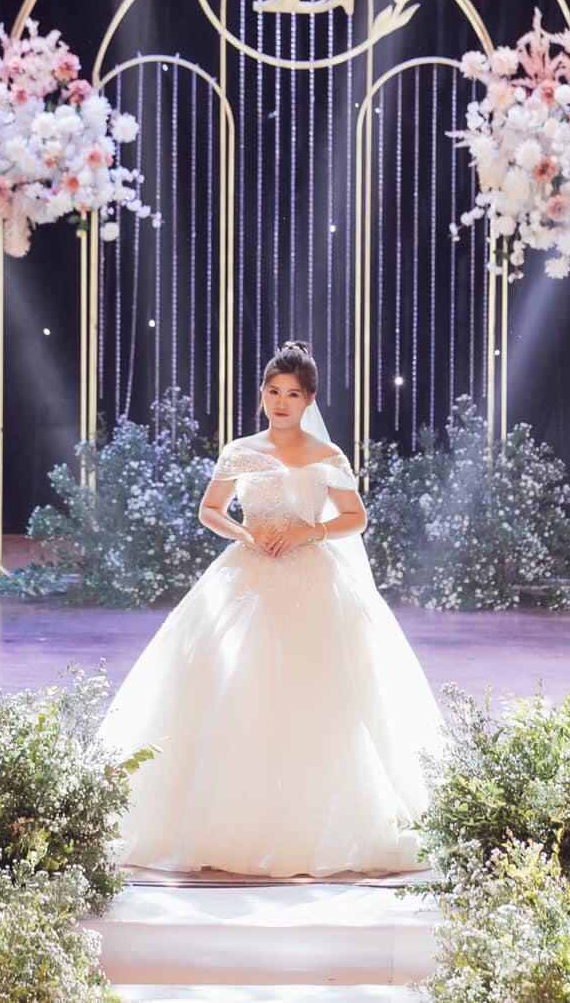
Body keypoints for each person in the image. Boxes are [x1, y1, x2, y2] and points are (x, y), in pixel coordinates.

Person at [96, 340, 445, 876]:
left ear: (309, 400)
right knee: (233, 684)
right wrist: (246, 534)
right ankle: (224, 823)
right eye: (273, 391)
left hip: (314, 576)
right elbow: (210, 509)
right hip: (247, 572)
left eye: (292, 394)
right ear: (262, 394)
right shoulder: (240, 451)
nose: (281, 402)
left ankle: (318, 825)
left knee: (321, 693)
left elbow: (355, 517)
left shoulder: (327, 456)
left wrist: (310, 531)